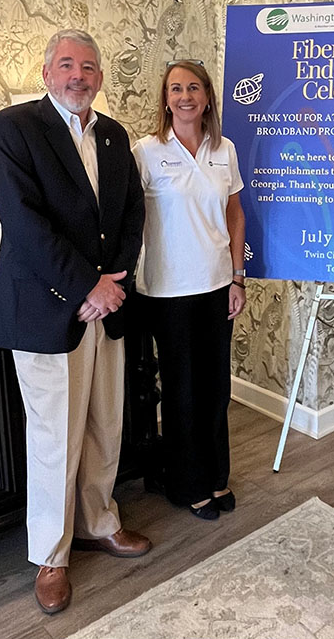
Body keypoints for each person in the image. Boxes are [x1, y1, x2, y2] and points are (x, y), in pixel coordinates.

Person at [0, 29, 151, 615]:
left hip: (106, 306)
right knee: (55, 436)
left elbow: (132, 215)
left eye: (88, 66)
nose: (78, 75)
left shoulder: (112, 135)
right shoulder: (14, 129)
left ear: (100, 77)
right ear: (46, 72)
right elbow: (25, 223)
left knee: (106, 423)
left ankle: (99, 521)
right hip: (46, 309)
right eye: (66, 65)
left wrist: (114, 284)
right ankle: (51, 557)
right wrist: (87, 286)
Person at [132, 60, 246, 522]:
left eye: (193, 87)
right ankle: (187, 484)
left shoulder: (225, 150)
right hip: (167, 291)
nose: (184, 96)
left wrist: (238, 277)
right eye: (175, 88)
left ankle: (216, 477)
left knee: (216, 389)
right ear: (165, 98)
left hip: (218, 284)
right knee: (182, 391)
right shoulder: (145, 150)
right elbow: (127, 220)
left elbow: (235, 214)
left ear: (207, 97)